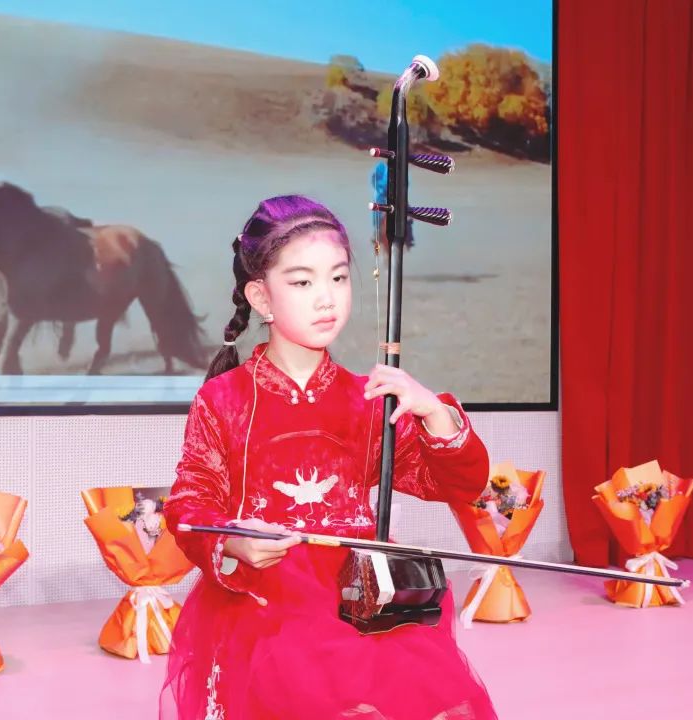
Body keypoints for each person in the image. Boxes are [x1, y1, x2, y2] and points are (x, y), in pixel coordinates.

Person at [161, 195, 496, 720]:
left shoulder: (370, 398)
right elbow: (188, 504)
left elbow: (459, 485)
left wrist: (434, 412)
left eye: (338, 278)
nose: (326, 298)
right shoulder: (223, 399)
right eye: (302, 282)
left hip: (360, 596)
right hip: (266, 603)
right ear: (261, 296)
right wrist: (233, 540)